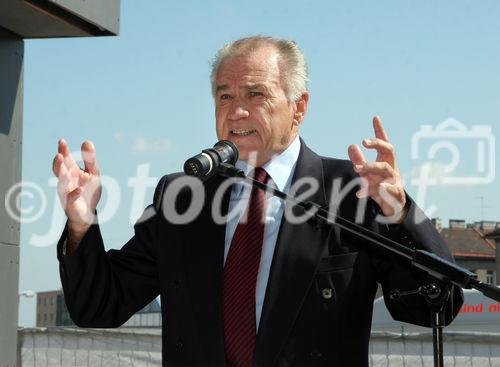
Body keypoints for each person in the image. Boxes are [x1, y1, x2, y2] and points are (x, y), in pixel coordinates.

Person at [52, 36, 462, 367]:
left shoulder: (352, 190)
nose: (237, 112)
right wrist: (81, 224)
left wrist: (401, 212)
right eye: (225, 96)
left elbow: (434, 308)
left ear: (298, 107)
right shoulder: (183, 195)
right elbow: (98, 307)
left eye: (256, 94)